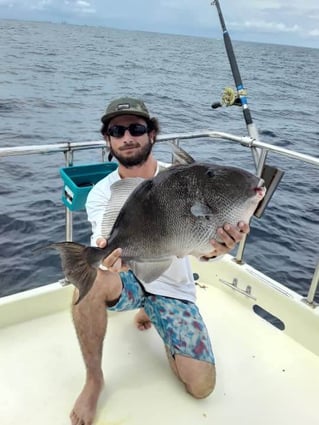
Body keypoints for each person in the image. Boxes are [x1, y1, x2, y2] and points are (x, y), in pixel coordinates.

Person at [70, 97, 250, 425]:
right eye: (117, 130)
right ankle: (94, 380)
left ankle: (157, 315)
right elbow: (107, 246)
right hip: (128, 277)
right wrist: (107, 258)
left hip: (173, 286)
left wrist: (218, 249)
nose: (128, 137)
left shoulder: (180, 178)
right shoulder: (102, 192)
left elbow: (201, 250)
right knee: (89, 282)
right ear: (107, 139)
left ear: (152, 134)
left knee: (201, 387)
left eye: (136, 128)